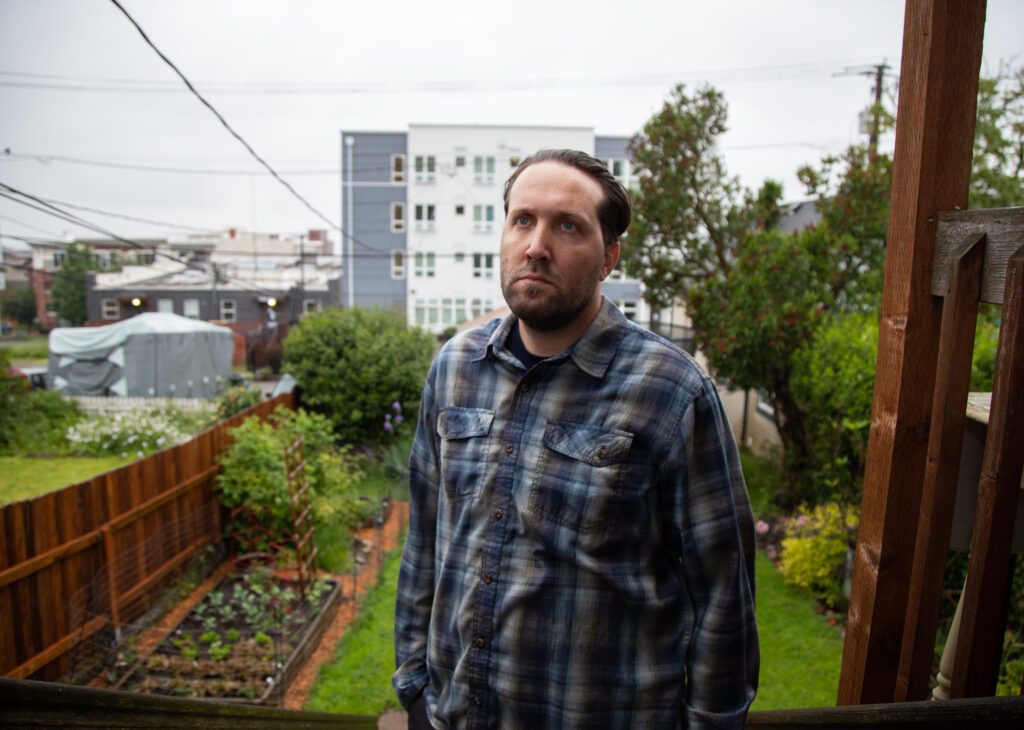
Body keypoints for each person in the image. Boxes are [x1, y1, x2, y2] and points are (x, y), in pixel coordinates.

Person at [393, 149, 758, 729]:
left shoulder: (670, 391)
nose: (537, 245)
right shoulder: (455, 368)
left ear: (609, 256)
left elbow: (723, 591)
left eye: (567, 226)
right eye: (523, 220)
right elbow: (425, 542)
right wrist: (414, 687)